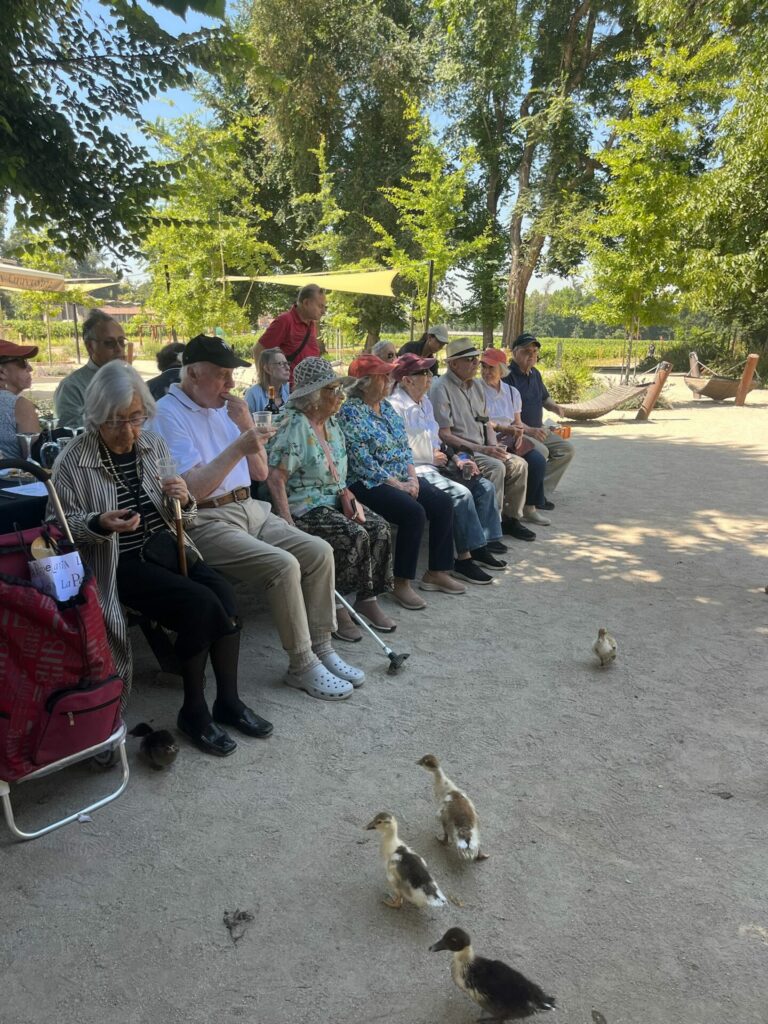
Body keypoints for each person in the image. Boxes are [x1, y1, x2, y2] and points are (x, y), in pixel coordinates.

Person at [50, 361, 272, 757]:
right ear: (96, 416)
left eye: (136, 418)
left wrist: (183, 497)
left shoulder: (151, 445)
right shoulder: (72, 460)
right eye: (116, 421)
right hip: (118, 561)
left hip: (168, 546)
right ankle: (194, 711)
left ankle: (229, 701)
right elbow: (58, 529)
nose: (129, 431)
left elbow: (184, 517)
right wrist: (99, 523)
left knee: (222, 593)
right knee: (200, 605)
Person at [151, 333, 364, 702]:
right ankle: (301, 663)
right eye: (222, 375)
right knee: (282, 566)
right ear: (194, 374)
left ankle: (322, 646)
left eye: (232, 375)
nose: (231, 384)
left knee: (318, 551)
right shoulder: (167, 415)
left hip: (251, 507)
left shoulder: (225, 408)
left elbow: (262, 474)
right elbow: (193, 491)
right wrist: (239, 445)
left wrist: (245, 424)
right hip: (205, 519)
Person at [267, 357, 396, 643]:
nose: (341, 396)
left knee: (379, 528)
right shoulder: (294, 425)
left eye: (340, 389)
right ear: (312, 396)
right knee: (354, 535)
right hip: (305, 505)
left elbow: (337, 469)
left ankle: (366, 598)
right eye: (333, 390)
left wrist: (346, 492)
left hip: (334, 499)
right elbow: (276, 479)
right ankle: (336, 606)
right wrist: (287, 523)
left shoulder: (331, 422)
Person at [337, 353, 464, 610]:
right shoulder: (349, 412)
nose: (388, 380)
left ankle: (436, 572)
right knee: (413, 513)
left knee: (442, 502)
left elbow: (404, 447)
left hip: (402, 476)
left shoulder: (385, 407)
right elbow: (362, 461)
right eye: (383, 376)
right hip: (368, 481)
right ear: (365, 382)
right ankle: (401, 582)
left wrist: (413, 478)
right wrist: (399, 485)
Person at [388, 354, 507, 585]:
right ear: (406, 380)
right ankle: (463, 559)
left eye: (429, 372)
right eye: (423, 373)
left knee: (484, 486)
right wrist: (428, 455)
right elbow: (396, 450)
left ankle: (479, 545)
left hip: (437, 465)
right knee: (460, 495)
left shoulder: (425, 402)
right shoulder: (395, 407)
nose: (430, 376)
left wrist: (460, 458)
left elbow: (440, 442)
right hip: (415, 470)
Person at [429, 339, 535, 541]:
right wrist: (484, 449)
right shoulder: (440, 388)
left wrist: (494, 447)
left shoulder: (477, 386)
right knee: (496, 467)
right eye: (470, 359)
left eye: (476, 359)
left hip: (482, 447)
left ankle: (510, 519)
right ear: (453, 364)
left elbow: (486, 422)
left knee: (519, 464)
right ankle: (486, 532)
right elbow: (444, 434)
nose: (476, 364)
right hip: (460, 451)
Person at [479, 348, 551, 526]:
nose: (486, 372)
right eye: (483, 367)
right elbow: (480, 421)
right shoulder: (476, 390)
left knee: (538, 460)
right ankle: (508, 515)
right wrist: (510, 431)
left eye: (491, 368)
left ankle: (530, 508)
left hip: (511, 438)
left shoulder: (512, 392)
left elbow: (517, 421)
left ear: (502, 370)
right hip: (488, 437)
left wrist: (520, 432)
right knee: (521, 463)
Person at [504, 332, 575, 504]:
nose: (532, 355)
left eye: (535, 351)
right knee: (541, 452)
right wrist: (530, 431)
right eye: (526, 351)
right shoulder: (507, 377)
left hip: (539, 428)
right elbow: (507, 416)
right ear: (514, 353)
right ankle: (532, 497)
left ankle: (539, 491)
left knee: (566, 449)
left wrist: (555, 406)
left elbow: (544, 398)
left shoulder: (535, 373)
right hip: (520, 431)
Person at [54, 310, 127, 429]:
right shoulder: (72, 387)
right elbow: (68, 433)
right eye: (109, 343)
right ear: (90, 347)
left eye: (121, 341)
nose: (119, 349)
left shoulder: (130, 379)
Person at [252, 284, 326, 385]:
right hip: (289, 390)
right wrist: (264, 383)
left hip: (309, 387)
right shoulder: (285, 321)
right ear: (306, 303)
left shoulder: (311, 323)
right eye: (320, 306)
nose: (323, 311)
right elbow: (258, 350)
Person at [0, 340, 41, 458]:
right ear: (2, 372)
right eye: (23, 362)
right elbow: (34, 458)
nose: (30, 368)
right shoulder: (20, 405)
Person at [245, 348, 291, 415]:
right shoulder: (253, 394)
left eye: (287, 363)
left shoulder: (290, 390)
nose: (288, 368)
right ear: (267, 369)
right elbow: (246, 423)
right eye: (281, 364)